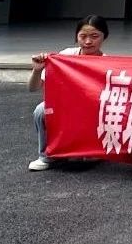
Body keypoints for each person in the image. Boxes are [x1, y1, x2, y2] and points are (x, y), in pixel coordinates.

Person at [28, 15, 108, 171]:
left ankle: (93, 150)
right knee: (41, 110)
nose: (88, 41)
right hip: (65, 106)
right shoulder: (65, 56)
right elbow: (33, 87)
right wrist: (37, 70)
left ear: (104, 36)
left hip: (93, 110)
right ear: (76, 36)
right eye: (83, 36)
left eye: (94, 36)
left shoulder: (108, 62)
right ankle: (47, 156)